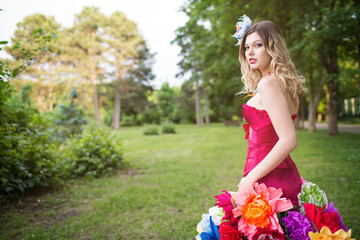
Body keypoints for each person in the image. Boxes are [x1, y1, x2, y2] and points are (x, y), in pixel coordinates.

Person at [234, 16, 306, 207]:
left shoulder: (268, 84)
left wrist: (250, 179)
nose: (250, 52)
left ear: (273, 47)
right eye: (246, 47)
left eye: (257, 45)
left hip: (267, 178)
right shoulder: (287, 84)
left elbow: (289, 139)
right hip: (282, 171)